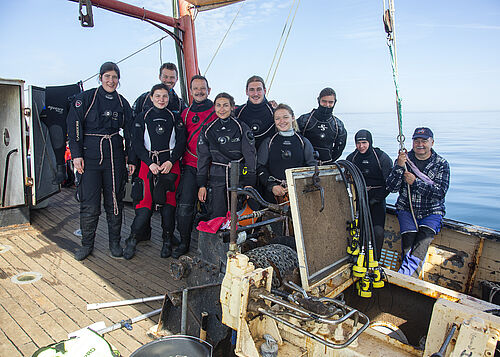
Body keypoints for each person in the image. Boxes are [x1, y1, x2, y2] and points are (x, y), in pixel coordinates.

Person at [67, 62, 134, 261]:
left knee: (114, 200)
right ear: (100, 77)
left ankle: (114, 242)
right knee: (90, 202)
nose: (111, 81)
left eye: (115, 77)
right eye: (107, 76)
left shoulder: (122, 103)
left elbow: (130, 131)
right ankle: (87, 244)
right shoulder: (85, 98)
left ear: (118, 80)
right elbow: (74, 125)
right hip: (89, 156)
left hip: (114, 156)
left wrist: (130, 156)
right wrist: (76, 154)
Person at [123, 84, 186, 259]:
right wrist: (149, 162)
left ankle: (167, 240)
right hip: (148, 166)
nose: (161, 99)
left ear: (169, 98)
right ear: (151, 97)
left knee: (169, 205)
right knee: (144, 205)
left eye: (164, 96)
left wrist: (171, 161)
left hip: (170, 166)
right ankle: (133, 239)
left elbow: (181, 142)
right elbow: (136, 144)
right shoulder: (142, 117)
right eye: (157, 96)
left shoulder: (175, 118)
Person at [386, 127, 450, 277]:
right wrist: (399, 167)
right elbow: (391, 187)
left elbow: (440, 193)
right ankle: (407, 278)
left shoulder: (441, 164)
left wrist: (415, 183)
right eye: (416, 141)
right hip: (407, 210)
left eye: (424, 141)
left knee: (421, 243)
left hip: (431, 212)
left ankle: (404, 278)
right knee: (408, 244)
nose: (420, 144)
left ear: (432, 142)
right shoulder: (404, 161)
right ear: (412, 142)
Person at [174, 75, 216, 258]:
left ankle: (213, 245)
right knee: (185, 206)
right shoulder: (185, 113)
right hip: (191, 165)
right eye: (196, 89)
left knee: (215, 207)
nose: (199, 92)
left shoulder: (219, 109)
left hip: (214, 166)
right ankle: (184, 241)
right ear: (190, 92)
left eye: (203, 88)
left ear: (209, 90)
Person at [197, 92, 257, 219]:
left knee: (238, 212)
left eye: (225, 105)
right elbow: (203, 158)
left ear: (232, 107)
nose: (222, 109)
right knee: (217, 213)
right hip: (216, 177)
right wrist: (201, 184)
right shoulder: (208, 129)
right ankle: (219, 238)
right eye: (218, 105)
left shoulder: (241, 127)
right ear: (214, 108)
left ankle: (237, 238)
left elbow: (249, 157)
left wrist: (249, 182)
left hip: (238, 176)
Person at [346, 130, 393, 258]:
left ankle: (375, 260)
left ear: (370, 142)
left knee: (377, 232)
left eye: (364, 142)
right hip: (359, 199)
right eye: (358, 143)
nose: (361, 146)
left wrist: (377, 198)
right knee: (357, 230)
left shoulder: (381, 157)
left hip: (377, 199)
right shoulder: (352, 158)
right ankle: (358, 257)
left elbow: (390, 183)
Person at [257, 104, 316, 203]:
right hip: (273, 195)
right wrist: (272, 186)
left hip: (299, 193)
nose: (282, 121)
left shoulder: (303, 142)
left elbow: (312, 167)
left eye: (285, 117)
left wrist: (298, 185)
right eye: (277, 118)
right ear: (274, 121)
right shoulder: (269, 142)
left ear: (292, 118)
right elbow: (260, 167)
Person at [297, 87, 347, 164]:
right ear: (318, 100)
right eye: (324, 101)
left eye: (330, 102)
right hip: (305, 164)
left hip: (327, 165)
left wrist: (330, 161)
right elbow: (295, 140)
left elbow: (340, 148)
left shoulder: (338, 125)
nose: (327, 105)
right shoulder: (305, 120)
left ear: (335, 102)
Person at [234, 75, 275, 149]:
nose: (255, 94)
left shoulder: (274, 113)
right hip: (245, 157)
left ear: (264, 91)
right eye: (252, 90)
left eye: (259, 89)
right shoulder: (238, 113)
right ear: (247, 92)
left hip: (267, 156)